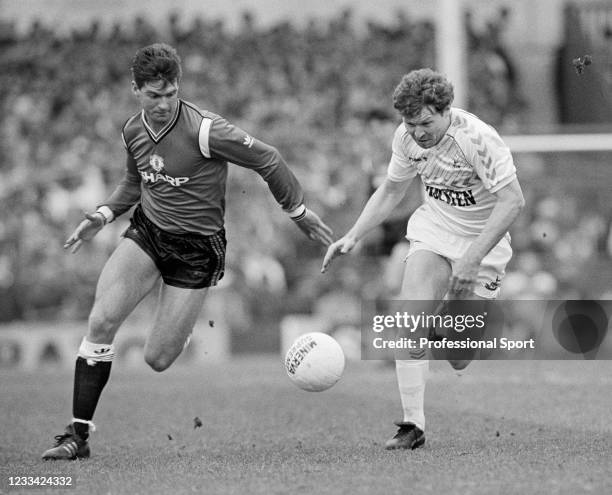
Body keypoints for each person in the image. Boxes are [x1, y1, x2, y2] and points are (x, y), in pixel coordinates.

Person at [42, 43, 333, 460]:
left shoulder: (205, 130)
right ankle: (77, 435)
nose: (163, 104)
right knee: (101, 320)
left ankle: (183, 321)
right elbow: (134, 181)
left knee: (157, 359)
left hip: (198, 249)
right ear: (135, 90)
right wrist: (104, 214)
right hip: (148, 232)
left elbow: (269, 158)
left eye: (170, 94)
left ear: (178, 87)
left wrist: (298, 211)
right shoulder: (132, 130)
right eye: (153, 95)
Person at [322, 68, 524, 450]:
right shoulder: (406, 139)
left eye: (426, 122)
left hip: (483, 245)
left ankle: (443, 327)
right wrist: (353, 235)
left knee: (459, 357)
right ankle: (412, 425)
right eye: (410, 123)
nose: (417, 132)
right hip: (433, 232)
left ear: (445, 110)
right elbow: (392, 189)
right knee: (409, 316)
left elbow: (514, 201)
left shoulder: (478, 140)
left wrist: (473, 258)